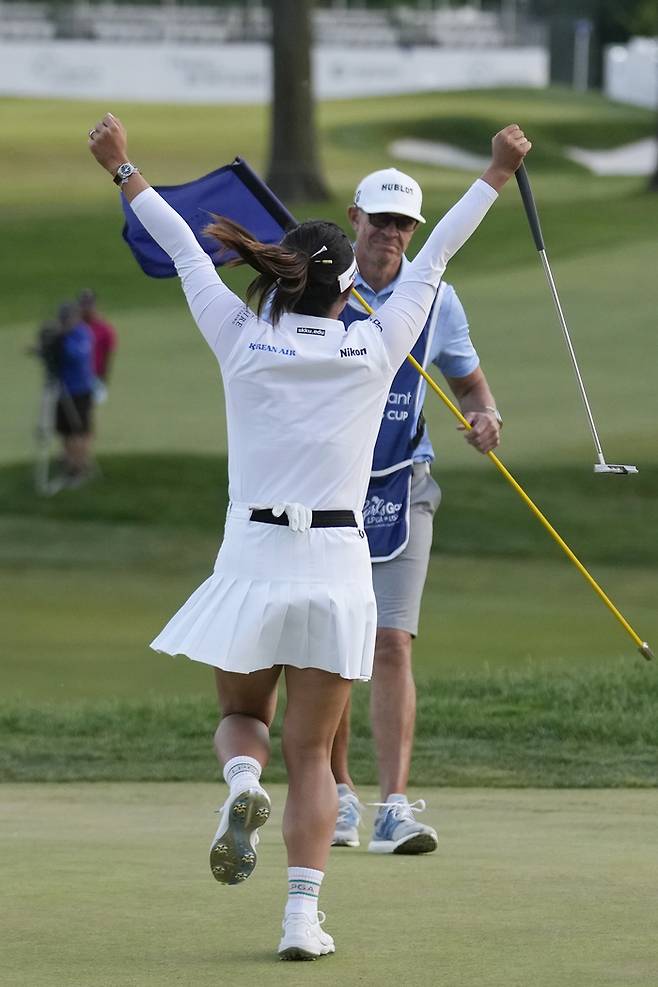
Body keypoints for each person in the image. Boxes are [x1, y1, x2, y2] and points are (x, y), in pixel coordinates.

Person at [88, 112, 530, 960]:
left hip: (251, 560)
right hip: (335, 567)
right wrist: (497, 172)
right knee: (316, 756)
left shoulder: (242, 337)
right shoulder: (375, 343)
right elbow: (435, 259)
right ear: (343, 286)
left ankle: (241, 782)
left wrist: (122, 168)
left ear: (284, 275)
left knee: (240, 719)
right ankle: (301, 920)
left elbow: (183, 247)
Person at [331, 168, 503, 855]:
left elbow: (469, 384)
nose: (391, 234)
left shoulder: (439, 298)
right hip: (330, 490)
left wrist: (485, 416)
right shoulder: (322, 290)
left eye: (404, 224)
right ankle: (338, 795)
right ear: (355, 218)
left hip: (406, 482)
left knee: (392, 641)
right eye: (380, 219)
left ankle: (392, 806)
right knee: (336, 645)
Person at [52, 301, 96, 485]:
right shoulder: (62, 335)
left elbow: (76, 356)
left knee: (78, 431)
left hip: (80, 390)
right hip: (63, 389)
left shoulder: (81, 333)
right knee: (65, 430)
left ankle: (79, 468)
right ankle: (69, 462)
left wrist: (62, 339)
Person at [78, 289, 118, 402]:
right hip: (76, 379)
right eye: (83, 303)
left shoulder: (104, 328)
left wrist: (104, 378)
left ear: (95, 305)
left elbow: (108, 355)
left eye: (89, 303)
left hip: (95, 378)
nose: (86, 307)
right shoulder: (73, 328)